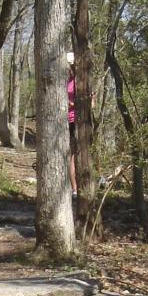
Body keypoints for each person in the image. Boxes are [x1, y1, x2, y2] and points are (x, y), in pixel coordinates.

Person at [67, 52, 77, 198]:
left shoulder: (79, 81)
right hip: (65, 122)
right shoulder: (65, 81)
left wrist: (71, 104)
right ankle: (74, 189)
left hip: (77, 121)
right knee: (70, 156)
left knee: (75, 155)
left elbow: (91, 103)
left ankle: (77, 189)